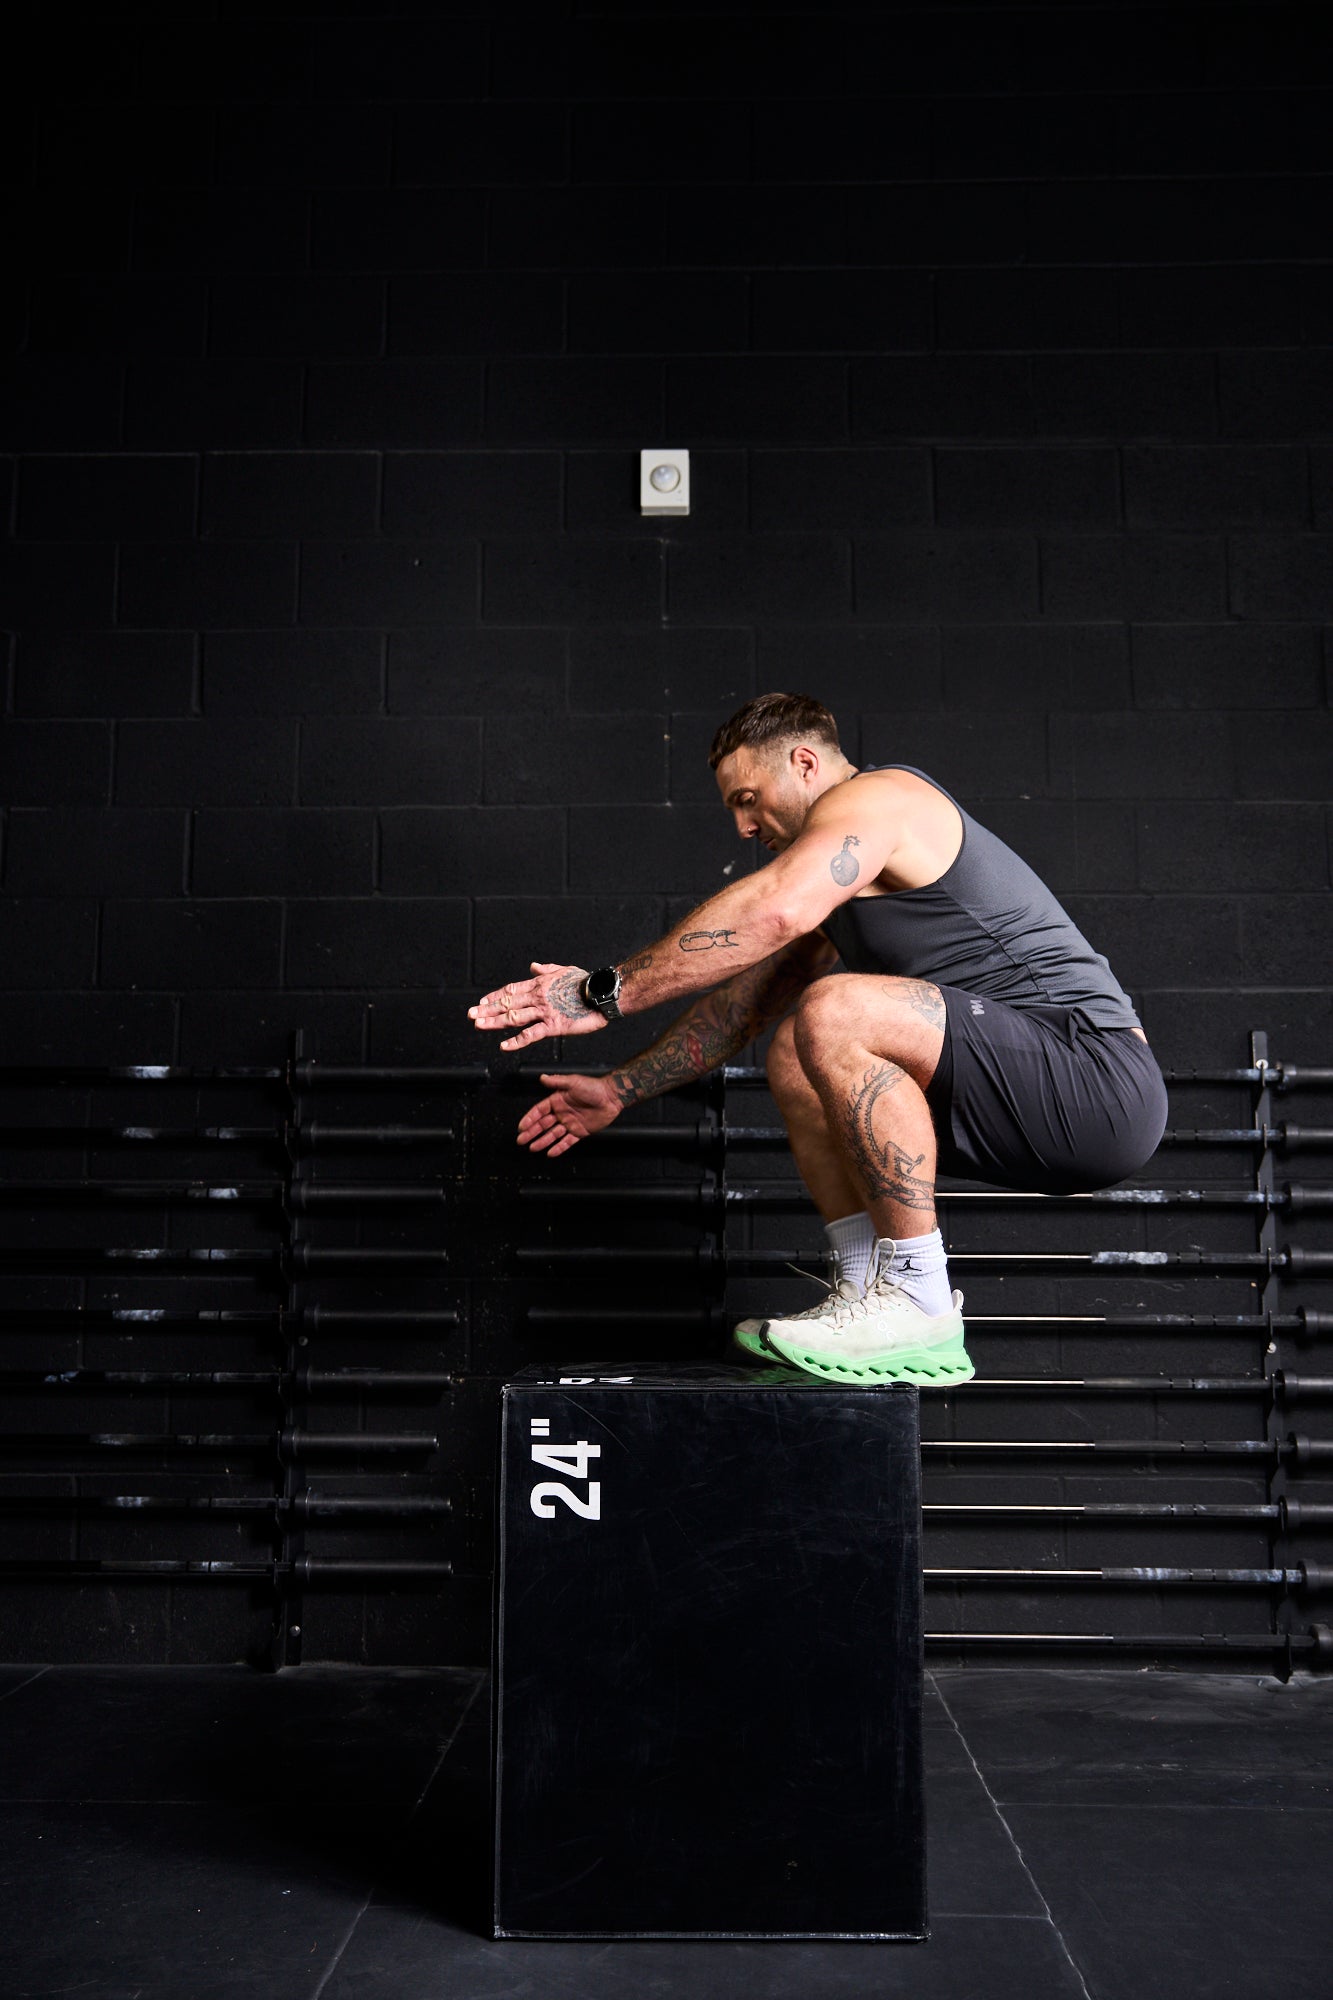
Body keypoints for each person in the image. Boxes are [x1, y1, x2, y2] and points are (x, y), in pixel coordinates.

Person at [468, 692, 1168, 1387]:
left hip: (1093, 1078)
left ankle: (916, 1298)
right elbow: (740, 1007)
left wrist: (601, 992)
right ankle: (868, 1296)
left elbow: (773, 909)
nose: (743, 826)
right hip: (1027, 1097)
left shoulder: (879, 798)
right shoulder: (846, 892)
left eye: (748, 798)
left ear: (804, 762)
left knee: (834, 1007)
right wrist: (616, 1091)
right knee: (794, 1046)